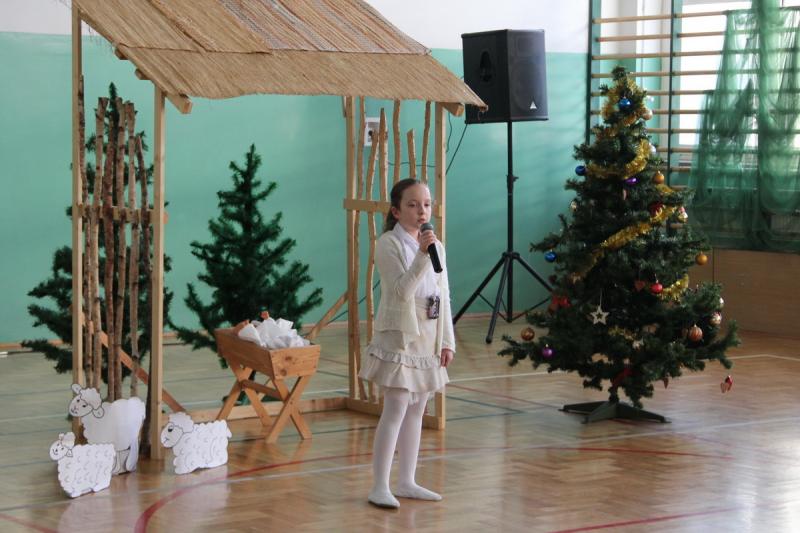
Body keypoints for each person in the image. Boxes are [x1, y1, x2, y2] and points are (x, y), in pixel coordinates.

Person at [359, 178, 455, 509]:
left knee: (418, 409)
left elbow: (443, 295)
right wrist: (422, 257)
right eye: (412, 205)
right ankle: (379, 486)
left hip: (428, 335)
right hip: (401, 335)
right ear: (396, 211)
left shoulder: (437, 246)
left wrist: (447, 340)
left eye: (426, 204)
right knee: (397, 406)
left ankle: (407, 481)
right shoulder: (388, 244)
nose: (421, 211)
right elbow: (401, 291)